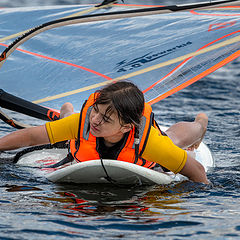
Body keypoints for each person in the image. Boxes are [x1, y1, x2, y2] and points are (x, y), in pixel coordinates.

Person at [0, 80, 208, 184]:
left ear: (126, 127)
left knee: (173, 138)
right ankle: (67, 113)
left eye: (105, 118)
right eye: (96, 111)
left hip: (146, 144)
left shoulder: (149, 144)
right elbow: (31, 136)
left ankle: (200, 123)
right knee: (70, 129)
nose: (95, 120)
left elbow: (197, 171)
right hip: (79, 135)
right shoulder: (88, 120)